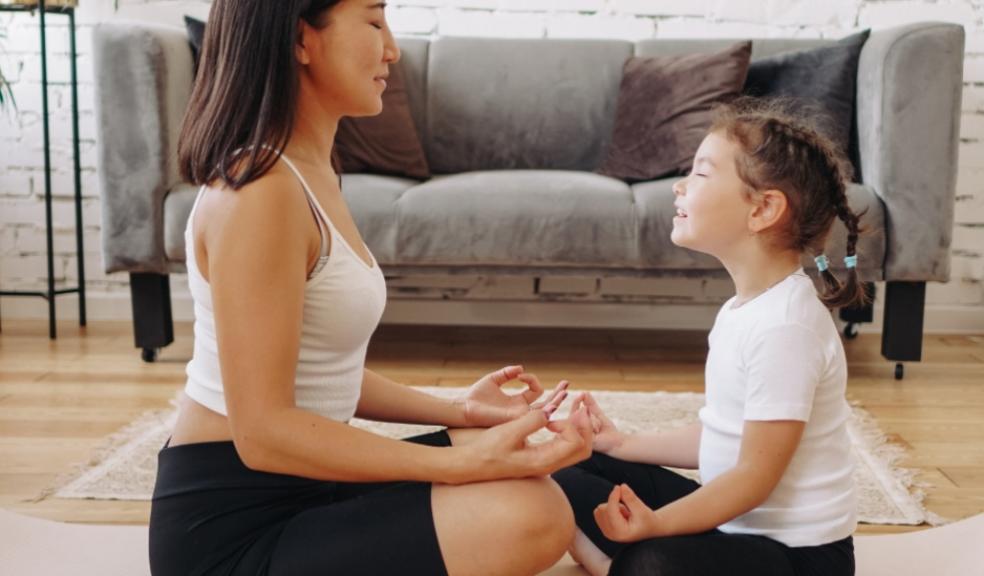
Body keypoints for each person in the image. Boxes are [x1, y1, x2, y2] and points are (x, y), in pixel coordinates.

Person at [148, 1, 593, 575]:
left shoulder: (309, 171)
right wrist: (462, 465)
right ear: (301, 39)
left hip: (305, 484)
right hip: (233, 525)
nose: (393, 49)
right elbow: (262, 433)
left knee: (530, 471)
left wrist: (462, 411)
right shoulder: (261, 193)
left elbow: (316, 372)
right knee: (529, 512)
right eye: (374, 21)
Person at [552, 99, 864, 576]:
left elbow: (753, 479)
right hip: (735, 527)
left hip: (795, 557)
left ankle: (608, 561)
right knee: (566, 466)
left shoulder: (786, 328)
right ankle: (613, 557)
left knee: (651, 563)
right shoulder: (743, 310)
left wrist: (655, 525)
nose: (679, 186)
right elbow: (725, 436)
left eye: (699, 174)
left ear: (762, 208)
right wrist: (620, 444)